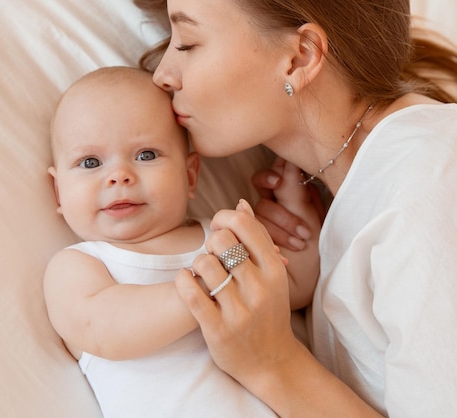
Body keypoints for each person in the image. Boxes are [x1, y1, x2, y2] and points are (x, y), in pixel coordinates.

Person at [133, 0, 457, 416]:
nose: (162, 75)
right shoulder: (374, 185)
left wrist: (273, 363)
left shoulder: (428, 185)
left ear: (299, 56)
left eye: (189, 43)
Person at [44, 66, 319, 417]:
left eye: (145, 155)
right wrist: (207, 285)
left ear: (189, 175)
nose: (118, 176)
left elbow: (294, 286)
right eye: (90, 162)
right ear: (58, 190)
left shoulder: (220, 238)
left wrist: (301, 219)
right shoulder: (80, 265)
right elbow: (102, 329)